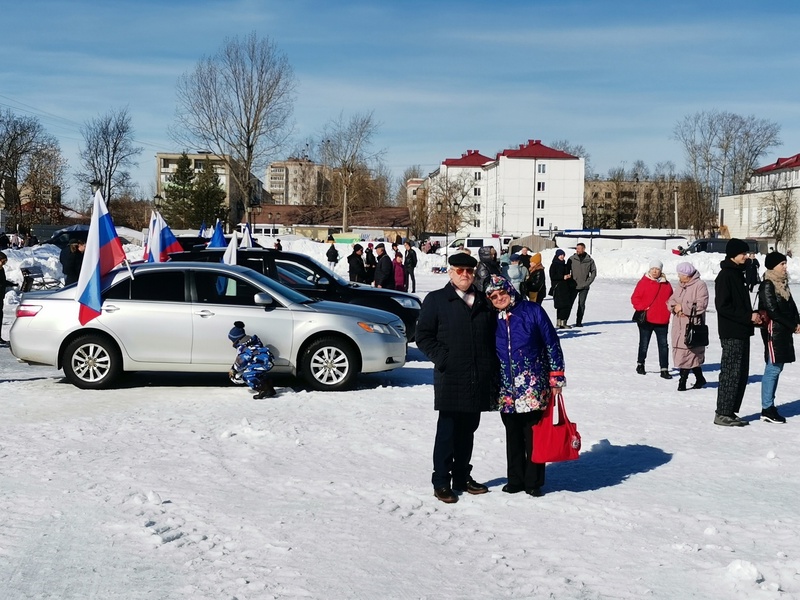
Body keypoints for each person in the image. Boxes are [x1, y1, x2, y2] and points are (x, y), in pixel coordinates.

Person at [415, 252, 498, 504]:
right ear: (450, 272)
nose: (465, 275)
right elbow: (424, 337)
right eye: (460, 271)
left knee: (468, 431)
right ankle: (441, 481)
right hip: (451, 377)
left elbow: (492, 336)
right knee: (448, 432)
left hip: (477, 377)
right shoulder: (437, 300)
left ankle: (461, 477)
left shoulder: (484, 301)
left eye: (469, 271)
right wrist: (444, 359)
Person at [484, 275, 565, 497]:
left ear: (510, 290)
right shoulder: (493, 318)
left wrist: (556, 377)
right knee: (512, 435)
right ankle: (515, 480)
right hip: (506, 388)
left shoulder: (532, 311)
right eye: (493, 296)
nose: (499, 298)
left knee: (533, 435)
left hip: (532, 386)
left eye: (502, 293)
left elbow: (551, 343)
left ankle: (533, 481)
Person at [714, 238, 763, 427]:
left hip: (742, 330)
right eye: (743, 253)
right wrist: (747, 317)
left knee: (741, 372)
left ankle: (731, 410)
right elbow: (723, 307)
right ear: (733, 254)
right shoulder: (726, 275)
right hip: (731, 331)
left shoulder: (738, 274)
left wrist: (753, 317)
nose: (746, 256)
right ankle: (722, 412)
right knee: (731, 372)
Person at [757, 251, 800, 424]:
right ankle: (767, 408)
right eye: (782, 264)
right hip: (773, 331)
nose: (785, 267)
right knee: (773, 368)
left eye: (785, 263)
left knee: (777, 367)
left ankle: (770, 405)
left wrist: (797, 322)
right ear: (773, 266)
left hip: (783, 331)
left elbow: (791, 306)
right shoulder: (768, 284)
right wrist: (791, 325)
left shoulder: (782, 283)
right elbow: (772, 310)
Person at [667, 262, 709, 391]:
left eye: (681, 274)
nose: (679, 277)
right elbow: (671, 300)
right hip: (678, 324)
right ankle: (700, 378)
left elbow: (702, 304)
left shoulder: (700, 285)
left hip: (692, 325)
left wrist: (684, 307)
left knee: (689, 352)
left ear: (688, 275)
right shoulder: (680, 285)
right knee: (684, 354)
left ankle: (682, 381)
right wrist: (675, 308)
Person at [631, 260, 674, 379]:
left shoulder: (666, 284)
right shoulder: (643, 282)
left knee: (663, 345)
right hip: (646, 319)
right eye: (653, 269)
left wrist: (670, 310)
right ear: (649, 270)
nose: (655, 271)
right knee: (644, 343)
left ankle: (664, 369)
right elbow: (635, 298)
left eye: (657, 269)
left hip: (662, 319)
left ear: (661, 271)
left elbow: (672, 299)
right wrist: (642, 308)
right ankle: (640, 364)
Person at [227, 321, 276, 399]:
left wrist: (234, 369)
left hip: (262, 362)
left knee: (248, 375)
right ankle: (269, 388)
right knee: (259, 374)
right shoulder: (252, 341)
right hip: (266, 360)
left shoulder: (242, 348)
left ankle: (262, 389)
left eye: (232, 341)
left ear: (236, 340)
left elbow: (242, 361)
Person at [567, 243, 597, 327]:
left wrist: (588, 282)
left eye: (579, 249)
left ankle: (579, 321)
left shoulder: (589, 260)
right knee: (569, 303)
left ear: (583, 249)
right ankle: (564, 321)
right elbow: (566, 270)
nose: (577, 250)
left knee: (581, 304)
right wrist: (569, 280)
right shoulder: (572, 259)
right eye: (576, 249)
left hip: (584, 286)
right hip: (573, 285)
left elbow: (594, 272)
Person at [549, 249, 576, 329]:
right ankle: (561, 322)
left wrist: (568, 276)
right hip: (558, 287)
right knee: (562, 305)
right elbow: (552, 276)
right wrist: (562, 277)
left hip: (565, 287)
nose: (562, 256)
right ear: (557, 256)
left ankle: (561, 322)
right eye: (560, 255)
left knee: (564, 305)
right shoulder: (554, 264)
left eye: (563, 255)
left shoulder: (564, 264)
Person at [0, 251, 20, 345]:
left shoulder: (1, 270)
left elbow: (3, 281)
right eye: (2, 262)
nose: (2, 264)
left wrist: (12, 284)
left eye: (4, 263)